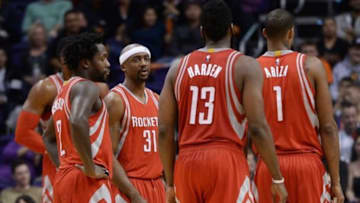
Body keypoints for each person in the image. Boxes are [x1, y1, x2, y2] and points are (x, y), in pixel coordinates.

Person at [158, 1, 287, 203]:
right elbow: (258, 128)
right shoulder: (244, 65)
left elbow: (164, 130)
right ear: (231, 30)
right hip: (226, 160)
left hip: (186, 162)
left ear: (202, 31)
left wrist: (169, 183)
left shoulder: (177, 68)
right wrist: (277, 176)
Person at [255, 9, 344, 203]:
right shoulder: (312, 66)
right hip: (306, 164)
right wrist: (336, 181)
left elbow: (249, 128)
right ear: (291, 33)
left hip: (269, 166)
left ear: (264, 33)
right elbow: (328, 127)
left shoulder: (251, 69)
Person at [15, 36, 109, 203]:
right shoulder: (83, 86)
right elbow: (76, 120)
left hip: (65, 173)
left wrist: (63, 165)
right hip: (84, 174)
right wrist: (89, 168)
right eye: (102, 59)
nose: (108, 64)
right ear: (85, 62)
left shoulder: (63, 92)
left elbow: (48, 137)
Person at [105, 44, 165, 202]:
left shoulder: (157, 100)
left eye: (146, 59)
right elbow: (108, 155)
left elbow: (163, 149)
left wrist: (169, 184)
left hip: (157, 184)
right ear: (124, 66)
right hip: (128, 186)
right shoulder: (116, 100)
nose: (143, 63)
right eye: (136, 59)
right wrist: (134, 194)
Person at [346, 136, 360, 202]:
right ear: (355, 147)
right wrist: (352, 198)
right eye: (358, 144)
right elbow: (349, 189)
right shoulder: (351, 167)